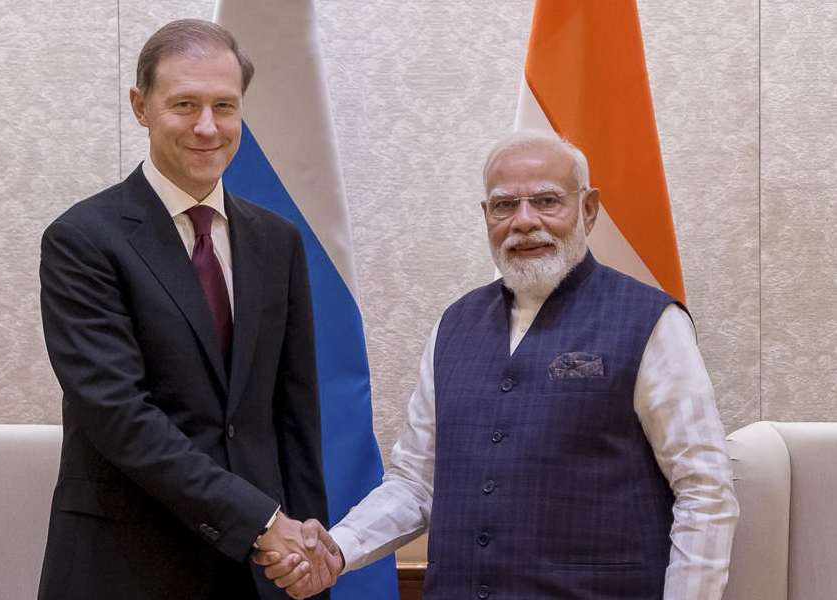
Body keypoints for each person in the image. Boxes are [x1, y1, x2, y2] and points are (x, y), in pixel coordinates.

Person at [258, 130, 739, 599]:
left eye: (548, 201)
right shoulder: (454, 324)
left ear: (588, 210)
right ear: (487, 215)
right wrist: (338, 549)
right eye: (505, 205)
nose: (525, 221)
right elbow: (414, 484)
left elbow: (704, 493)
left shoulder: (652, 321)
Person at [37, 19, 339, 600]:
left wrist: (304, 560)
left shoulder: (278, 241)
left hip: (256, 575)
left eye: (225, 106)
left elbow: (294, 413)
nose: (208, 127)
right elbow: (119, 415)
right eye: (184, 104)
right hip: (125, 564)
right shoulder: (82, 239)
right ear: (140, 106)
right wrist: (262, 523)